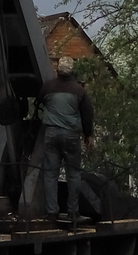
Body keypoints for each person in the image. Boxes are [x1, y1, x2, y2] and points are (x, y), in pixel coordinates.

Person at [37, 55, 95, 226]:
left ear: (57, 69)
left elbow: (39, 101)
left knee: (50, 174)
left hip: (51, 134)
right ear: (72, 71)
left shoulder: (48, 88)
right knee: (73, 174)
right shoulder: (79, 90)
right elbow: (87, 114)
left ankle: (52, 213)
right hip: (71, 136)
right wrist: (88, 135)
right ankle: (73, 212)